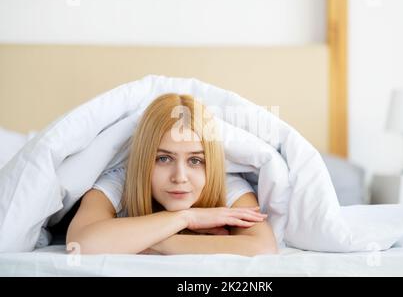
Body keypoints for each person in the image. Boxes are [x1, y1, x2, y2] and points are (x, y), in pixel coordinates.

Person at [66, 93, 278, 256]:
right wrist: (187, 217)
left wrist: (150, 241)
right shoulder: (119, 181)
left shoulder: (227, 185)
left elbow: (262, 249)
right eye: (163, 158)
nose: (180, 177)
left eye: (195, 160)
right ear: (144, 159)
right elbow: (81, 244)